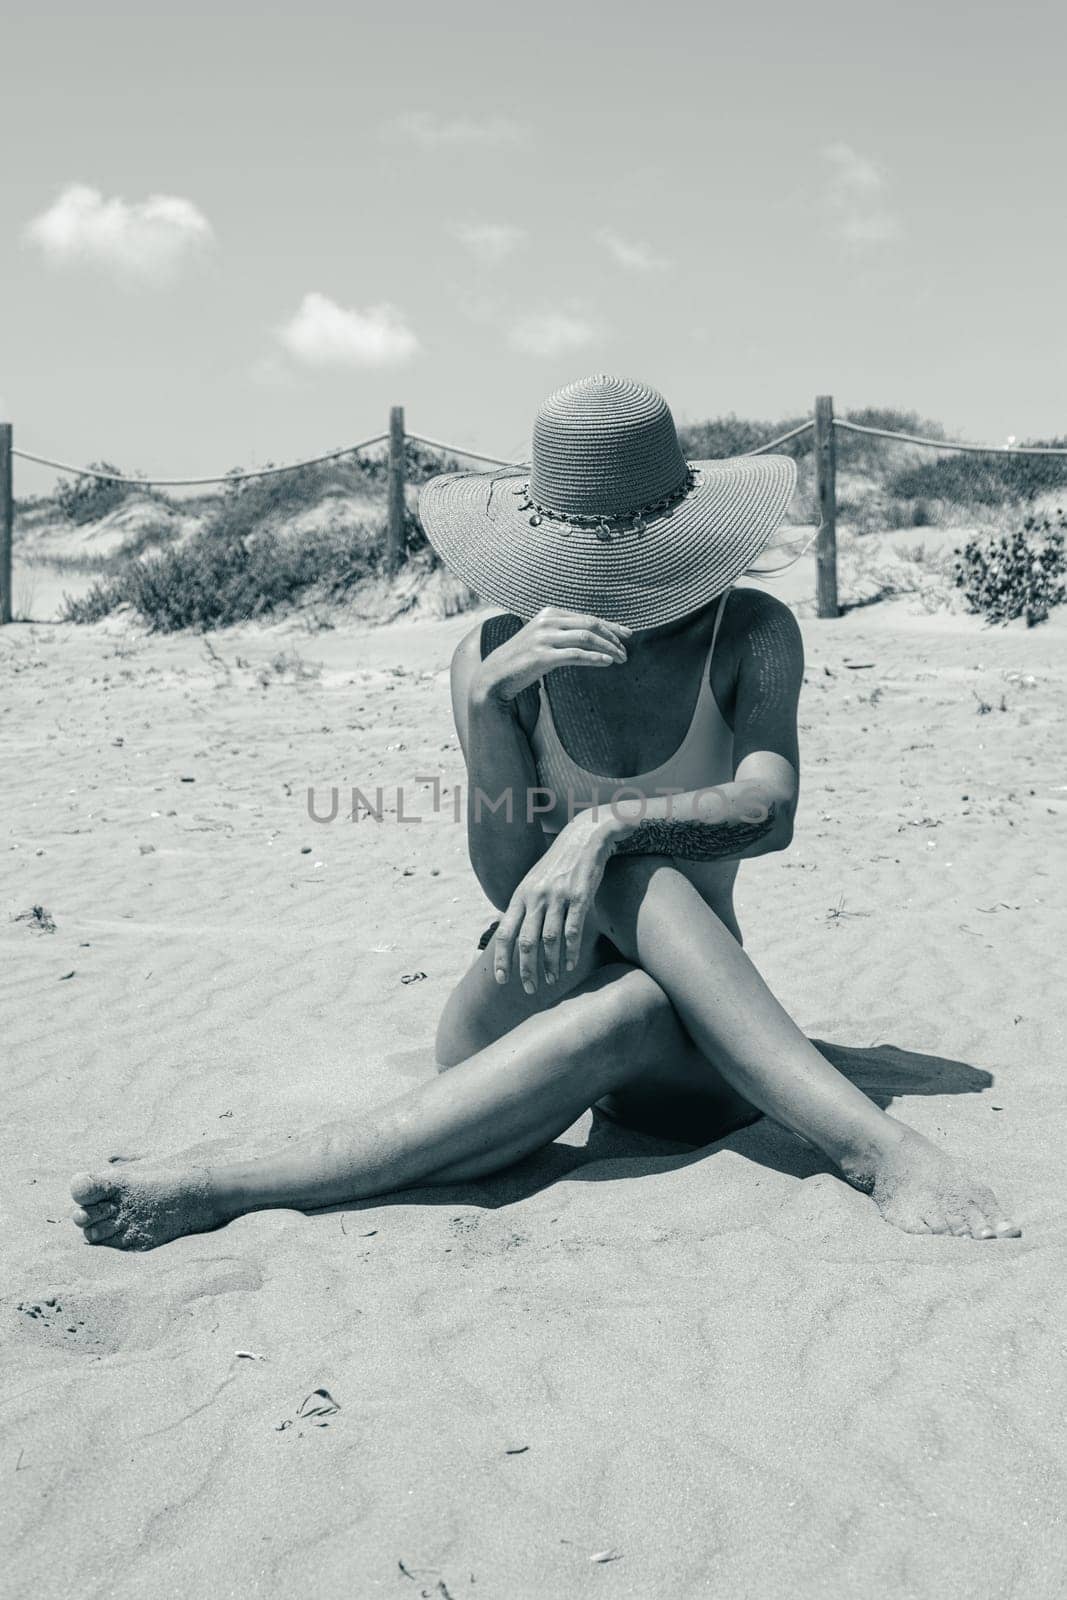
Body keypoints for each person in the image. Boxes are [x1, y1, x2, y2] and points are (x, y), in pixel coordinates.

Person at [70, 375, 1019, 1249]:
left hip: (692, 1031)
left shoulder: (750, 632)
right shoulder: (493, 656)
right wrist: (488, 709)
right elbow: (503, 880)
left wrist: (602, 825)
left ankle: (241, 1179)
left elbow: (770, 810)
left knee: (634, 930)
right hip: (512, 996)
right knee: (614, 895)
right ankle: (873, 1142)